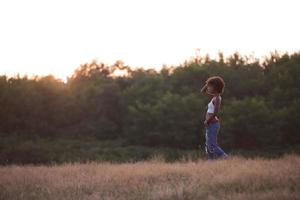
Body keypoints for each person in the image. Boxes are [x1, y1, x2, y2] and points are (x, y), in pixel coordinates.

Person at [201, 76, 229, 160]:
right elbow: (203, 91)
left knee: (212, 144)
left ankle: (224, 156)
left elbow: (215, 113)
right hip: (210, 124)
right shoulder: (214, 97)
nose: (208, 88)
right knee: (208, 144)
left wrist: (207, 121)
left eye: (210, 86)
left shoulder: (217, 98)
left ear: (215, 87)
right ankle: (210, 162)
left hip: (213, 124)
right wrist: (208, 83)